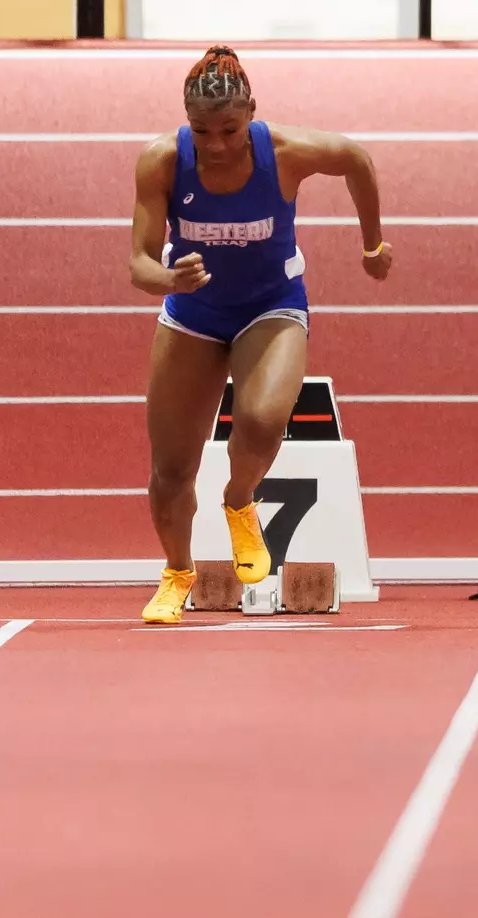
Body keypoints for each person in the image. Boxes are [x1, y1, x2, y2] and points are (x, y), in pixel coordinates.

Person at [127, 45, 392, 624]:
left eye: (229, 129)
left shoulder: (288, 153)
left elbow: (356, 160)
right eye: (202, 132)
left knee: (264, 418)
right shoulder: (163, 162)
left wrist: (371, 245)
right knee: (170, 471)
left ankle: (239, 500)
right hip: (193, 315)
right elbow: (138, 265)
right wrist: (168, 277)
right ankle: (177, 572)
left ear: (252, 111)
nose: (216, 144)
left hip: (271, 306)